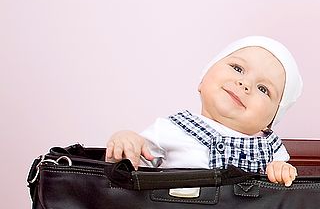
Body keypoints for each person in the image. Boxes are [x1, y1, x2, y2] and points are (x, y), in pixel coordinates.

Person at [105, 36, 302, 185]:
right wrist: (127, 140)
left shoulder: (270, 148)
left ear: (271, 120)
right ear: (203, 80)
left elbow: (280, 196)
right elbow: (136, 168)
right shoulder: (171, 129)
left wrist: (281, 171)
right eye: (238, 68)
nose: (245, 84)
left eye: (263, 89)